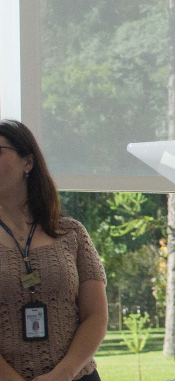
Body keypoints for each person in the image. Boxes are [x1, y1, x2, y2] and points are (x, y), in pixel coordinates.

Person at [0, 119, 107, 381]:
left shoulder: (72, 233)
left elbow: (96, 316)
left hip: (76, 376)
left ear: (28, 161)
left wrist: (64, 372)